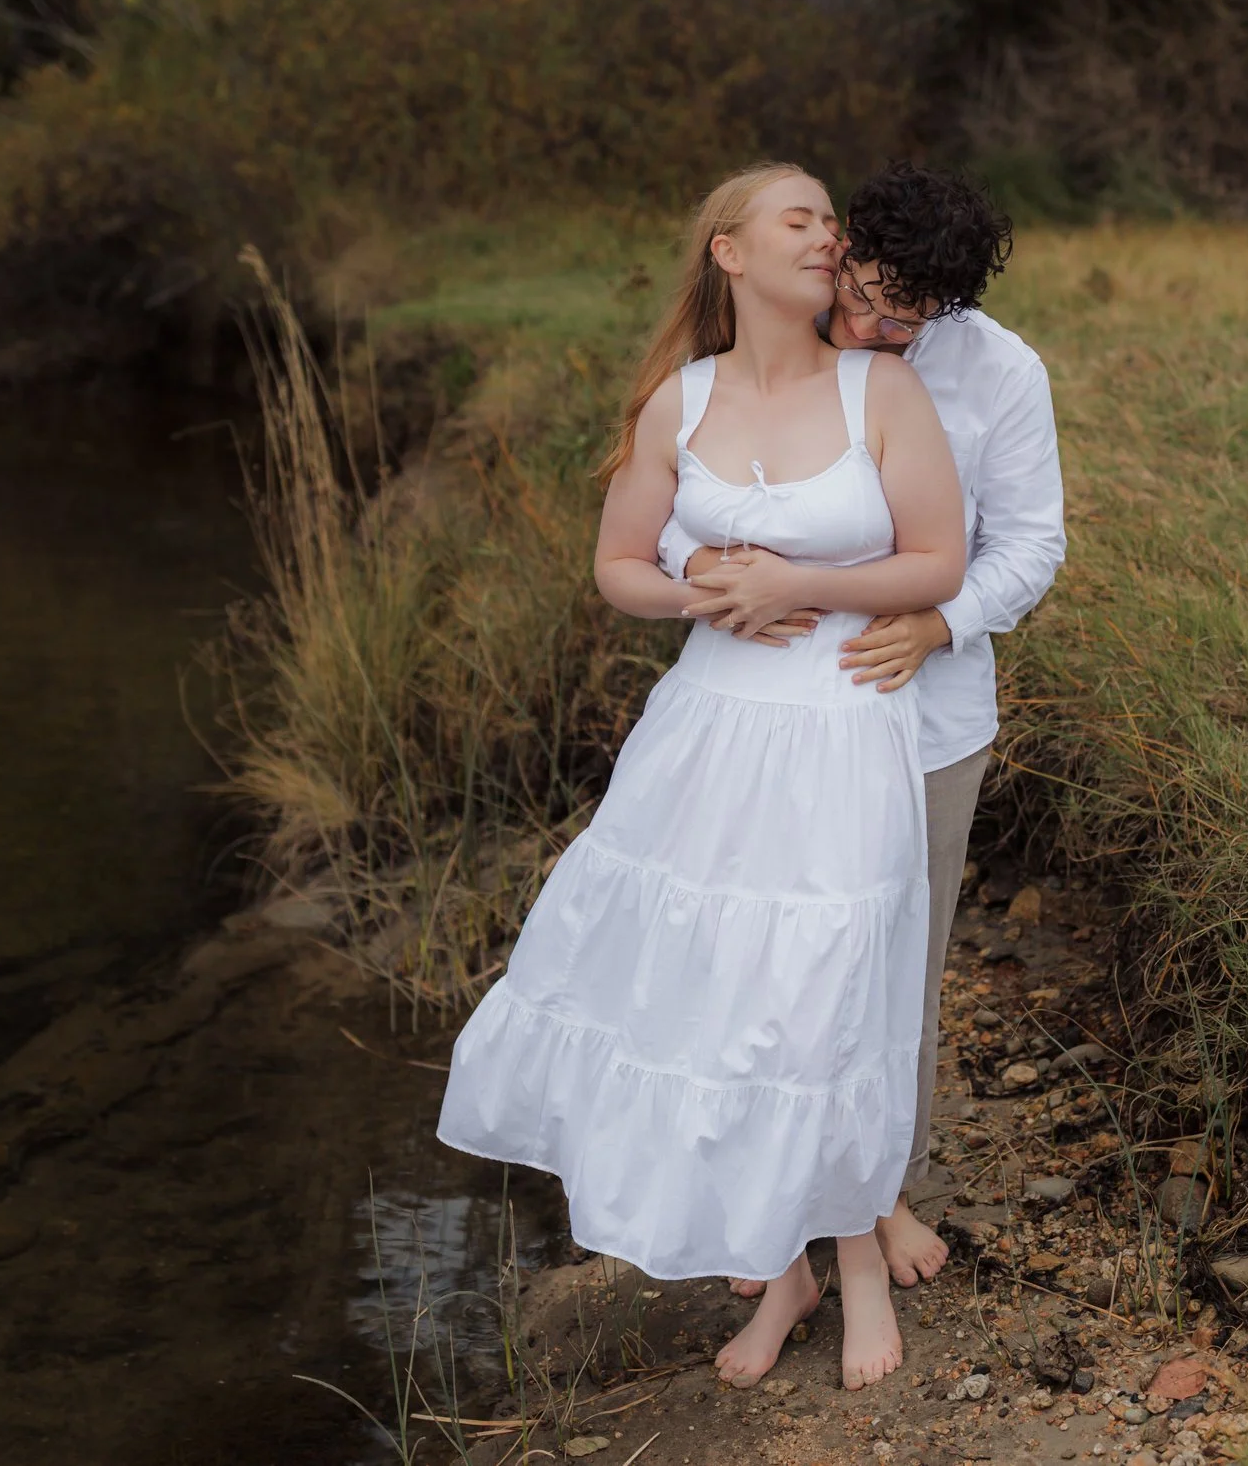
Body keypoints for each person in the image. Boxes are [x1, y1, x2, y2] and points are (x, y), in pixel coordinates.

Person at [437, 162, 965, 1391]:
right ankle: (779, 1269)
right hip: (710, 729)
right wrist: (698, 593)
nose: (828, 236)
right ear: (729, 251)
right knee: (727, 993)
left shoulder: (881, 389)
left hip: (841, 721)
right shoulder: (679, 399)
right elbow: (618, 564)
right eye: (800, 217)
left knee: (828, 995)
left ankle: (859, 1265)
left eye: (831, 220)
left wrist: (797, 582)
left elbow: (939, 559)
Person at [661, 162, 1066, 1293]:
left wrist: (940, 624)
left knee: (897, 967)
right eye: (864, 295)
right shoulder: (776, 327)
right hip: (772, 713)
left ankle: (883, 1188)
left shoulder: (1000, 371)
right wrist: (697, 563)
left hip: (924, 716)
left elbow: (1032, 543)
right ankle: (772, 1196)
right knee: (769, 957)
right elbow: (679, 490)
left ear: (951, 307)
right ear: (845, 251)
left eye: (906, 319)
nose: (871, 328)